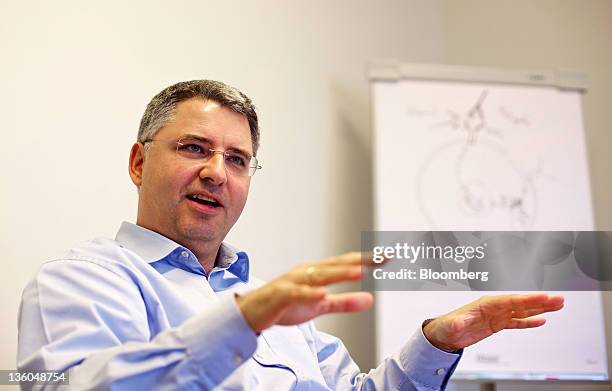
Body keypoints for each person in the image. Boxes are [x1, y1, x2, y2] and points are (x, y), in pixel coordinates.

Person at [17, 80, 564, 390]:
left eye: (237, 159)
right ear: (139, 162)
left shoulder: (278, 307)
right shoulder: (78, 281)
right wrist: (243, 321)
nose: (216, 172)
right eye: (193, 148)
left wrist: (436, 342)